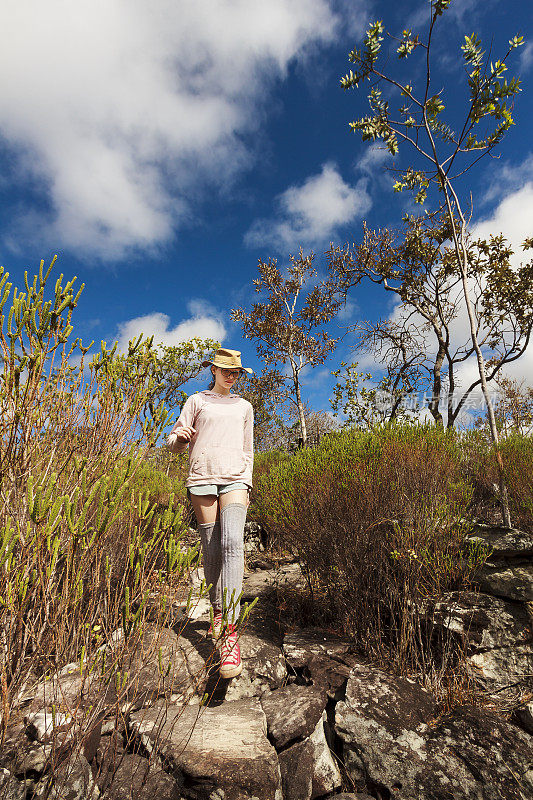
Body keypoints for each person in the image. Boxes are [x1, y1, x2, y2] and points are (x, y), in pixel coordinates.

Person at [166, 348, 254, 679]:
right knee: (212, 548)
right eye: (225, 370)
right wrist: (179, 438)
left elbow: (248, 450)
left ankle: (230, 632)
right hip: (202, 478)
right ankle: (217, 610)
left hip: (235, 480)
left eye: (236, 372)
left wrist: (247, 484)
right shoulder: (196, 401)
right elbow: (174, 442)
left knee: (232, 542)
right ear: (214, 370)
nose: (231, 376)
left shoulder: (244, 407)